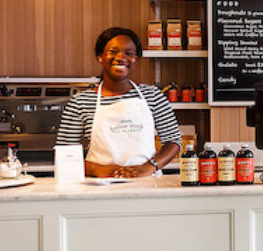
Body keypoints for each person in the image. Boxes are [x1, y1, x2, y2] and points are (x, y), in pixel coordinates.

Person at [56, 27, 181, 177]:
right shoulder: (80, 102)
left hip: (147, 185)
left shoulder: (153, 96)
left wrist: (149, 167)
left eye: (129, 53)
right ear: (100, 56)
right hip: (98, 188)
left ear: (136, 59)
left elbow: (173, 141)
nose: (121, 57)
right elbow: (65, 154)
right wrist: (97, 169)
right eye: (113, 51)